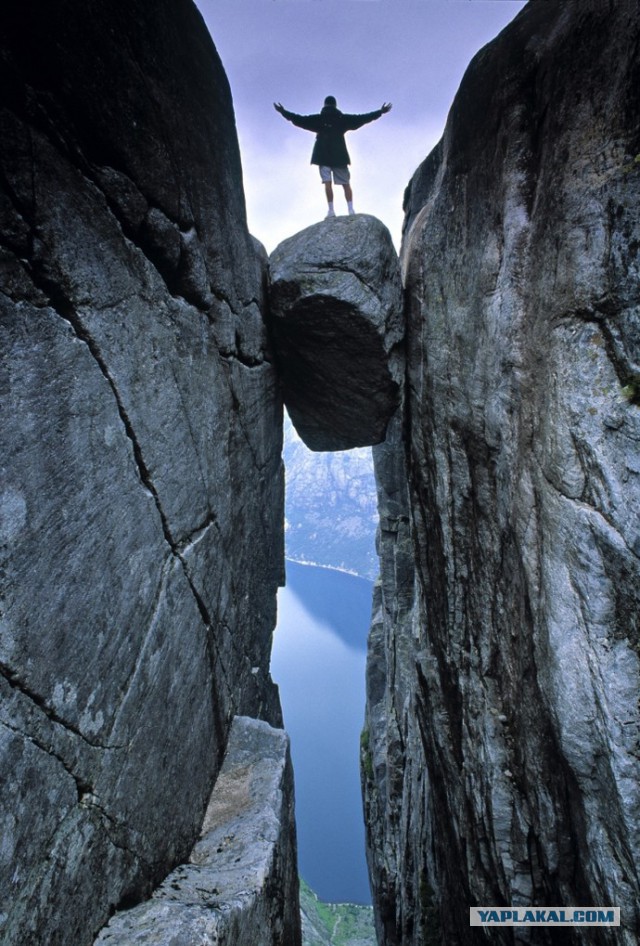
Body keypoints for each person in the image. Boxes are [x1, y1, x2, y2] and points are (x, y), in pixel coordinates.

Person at [274, 95, 392, 218]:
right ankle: (351, 209)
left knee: (327, 183)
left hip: (322, 155)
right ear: (335, 105)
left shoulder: (318, 119)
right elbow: (362, 118)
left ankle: (331, 211)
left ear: (324, 105)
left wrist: (283, 112)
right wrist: (380, 112)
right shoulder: (342, 119)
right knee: (346, 183)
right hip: (339, 155)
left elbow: (299, 120)